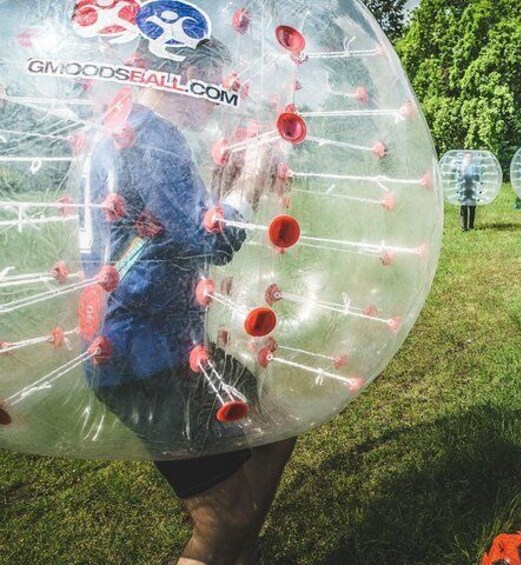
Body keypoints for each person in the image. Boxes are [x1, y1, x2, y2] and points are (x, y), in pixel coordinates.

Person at [82, 37, 296, 565]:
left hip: (168, 343)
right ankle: (225, 548)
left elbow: (176, 224)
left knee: (277, 427)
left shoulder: (130, 125)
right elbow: (211, 241)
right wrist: (247, 183)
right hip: (145, 356)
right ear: (192, 74)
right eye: (218, 83)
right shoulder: (150, 140)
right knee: (223, 519)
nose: (223, 96)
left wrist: (220, 195)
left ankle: (237, 554)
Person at [458, 152, 482, 231]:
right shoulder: (461, 167)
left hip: (472, 189)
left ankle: (471, 225)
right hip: (463, 189)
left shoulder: (474, 168)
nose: (469, 159)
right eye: (467, 157)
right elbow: (458, 178)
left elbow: (478, 178)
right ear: (464, 158)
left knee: (472, 207)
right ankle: (464, 226)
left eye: (470, 158)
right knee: (463, 207)